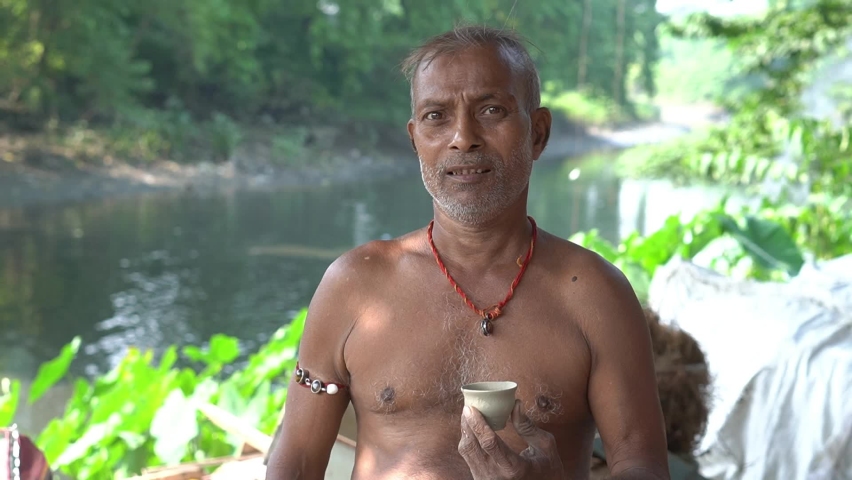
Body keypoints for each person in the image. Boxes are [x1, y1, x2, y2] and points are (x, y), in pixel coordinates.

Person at [266, 25, 670, 480]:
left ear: (538, 132)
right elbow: (296, 460)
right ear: (414, 137)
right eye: (436, 116)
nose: (463, 137)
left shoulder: (595, 295)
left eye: (492, 110)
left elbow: (644, 466)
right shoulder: (354, 285)